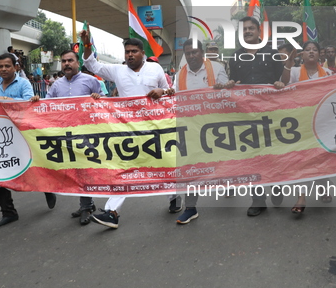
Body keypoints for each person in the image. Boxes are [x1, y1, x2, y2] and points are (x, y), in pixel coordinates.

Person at [81, 33, 174, 229]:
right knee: (123, 168)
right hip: (128, 130)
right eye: (127, 52)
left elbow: (169, 93)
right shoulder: (118, 71)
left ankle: (174, 195)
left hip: (154, 128)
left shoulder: (155, 68)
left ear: (142, 53)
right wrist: (87, 44)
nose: (130, 55)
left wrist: (162, 91)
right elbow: (92, 65)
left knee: (165, 164)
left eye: (133, 51)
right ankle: (112, 212)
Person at [0, 53, 57, 228]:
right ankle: (8, 212)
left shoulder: (23, 83)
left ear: (16, 67)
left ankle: (47, 189)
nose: (4, 69)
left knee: (32, 166)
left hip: (22, 134)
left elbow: (28, 102)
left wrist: (4, 100)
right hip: (1, 136)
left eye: (7, 66)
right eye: (1, 66)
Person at [225, 16, 285, 217]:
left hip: (272, 112)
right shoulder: (235, 57)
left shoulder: (272, 52)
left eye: (251, 28)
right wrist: (231, 84)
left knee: (274, 152)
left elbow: (282, 79)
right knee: (252, 155)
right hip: (246, 113)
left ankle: (276, 185)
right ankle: (258, 200)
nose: (248, 32)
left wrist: (280, 84)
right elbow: (235, 81)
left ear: (259, 32)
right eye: (244, 29)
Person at [43, 50, 103, 225]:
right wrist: (35, 101)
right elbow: (46, 105)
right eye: (63, 61)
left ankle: (85, 206)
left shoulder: (91, 81)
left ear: (78, 63)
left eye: (70, 60)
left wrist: (97, 98)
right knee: (73, 170)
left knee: (83, 168)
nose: (66, 64)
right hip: (63, 134)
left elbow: (104, 104)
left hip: (85, 133)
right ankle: (87, 203)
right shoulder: (56, 85)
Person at [174, 39, 229, 224]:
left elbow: (228, 91)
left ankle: (228, 179)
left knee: (223, 159)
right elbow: (175, 99)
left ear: (202, 53)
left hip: (216, 126)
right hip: (191, 127)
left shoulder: (216, 68)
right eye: (188, 53)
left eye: (194, 52)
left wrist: (223, 88)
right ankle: (190, 207)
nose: (191, 56)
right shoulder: (180, 75)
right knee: (191, 166)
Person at [281, 41, 332, 214]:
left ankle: (324, 187)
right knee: (301, 159)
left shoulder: (329, 73)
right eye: (307, 50)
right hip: (301, 123)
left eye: (314, 50)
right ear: (302, 54)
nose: (311, 52)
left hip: (322, 122)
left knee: (323, 156)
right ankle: (301, 196)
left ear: (320, 54)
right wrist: (288, 65)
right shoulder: (295, 71)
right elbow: (284, 83)